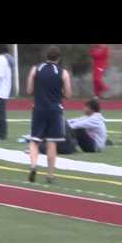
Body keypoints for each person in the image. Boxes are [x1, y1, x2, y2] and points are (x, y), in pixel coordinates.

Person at [26, 46, 72, 183]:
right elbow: (69, 94)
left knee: (34, 140)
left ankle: (33, 166)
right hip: (55, 110)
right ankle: (50, 174)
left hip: (39, 108)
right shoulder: (63, 73)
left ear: (46, 56)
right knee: (52, 143)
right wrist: (60, 92)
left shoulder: (36, 69)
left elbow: (29, 90)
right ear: (59, 58)